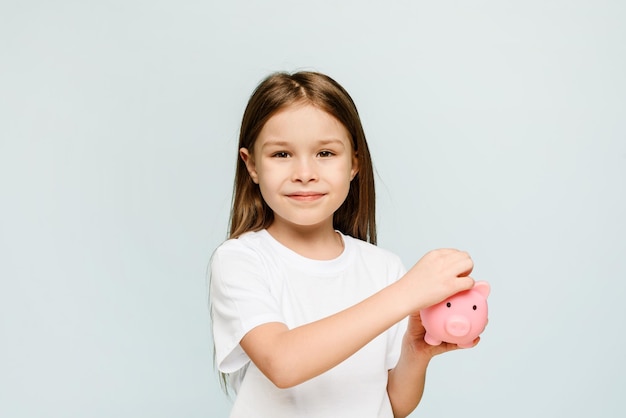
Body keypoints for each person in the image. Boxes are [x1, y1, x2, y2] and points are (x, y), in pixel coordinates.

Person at [209, 71, 478, 418]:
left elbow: (394, 404)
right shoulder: (241, 260)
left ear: (354, 163)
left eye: (324, 153)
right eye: (281, 154)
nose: (304, 172)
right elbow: (283, 364)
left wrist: (416, 353)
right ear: (252, 165)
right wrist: (407, 293)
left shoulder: (383, 267)